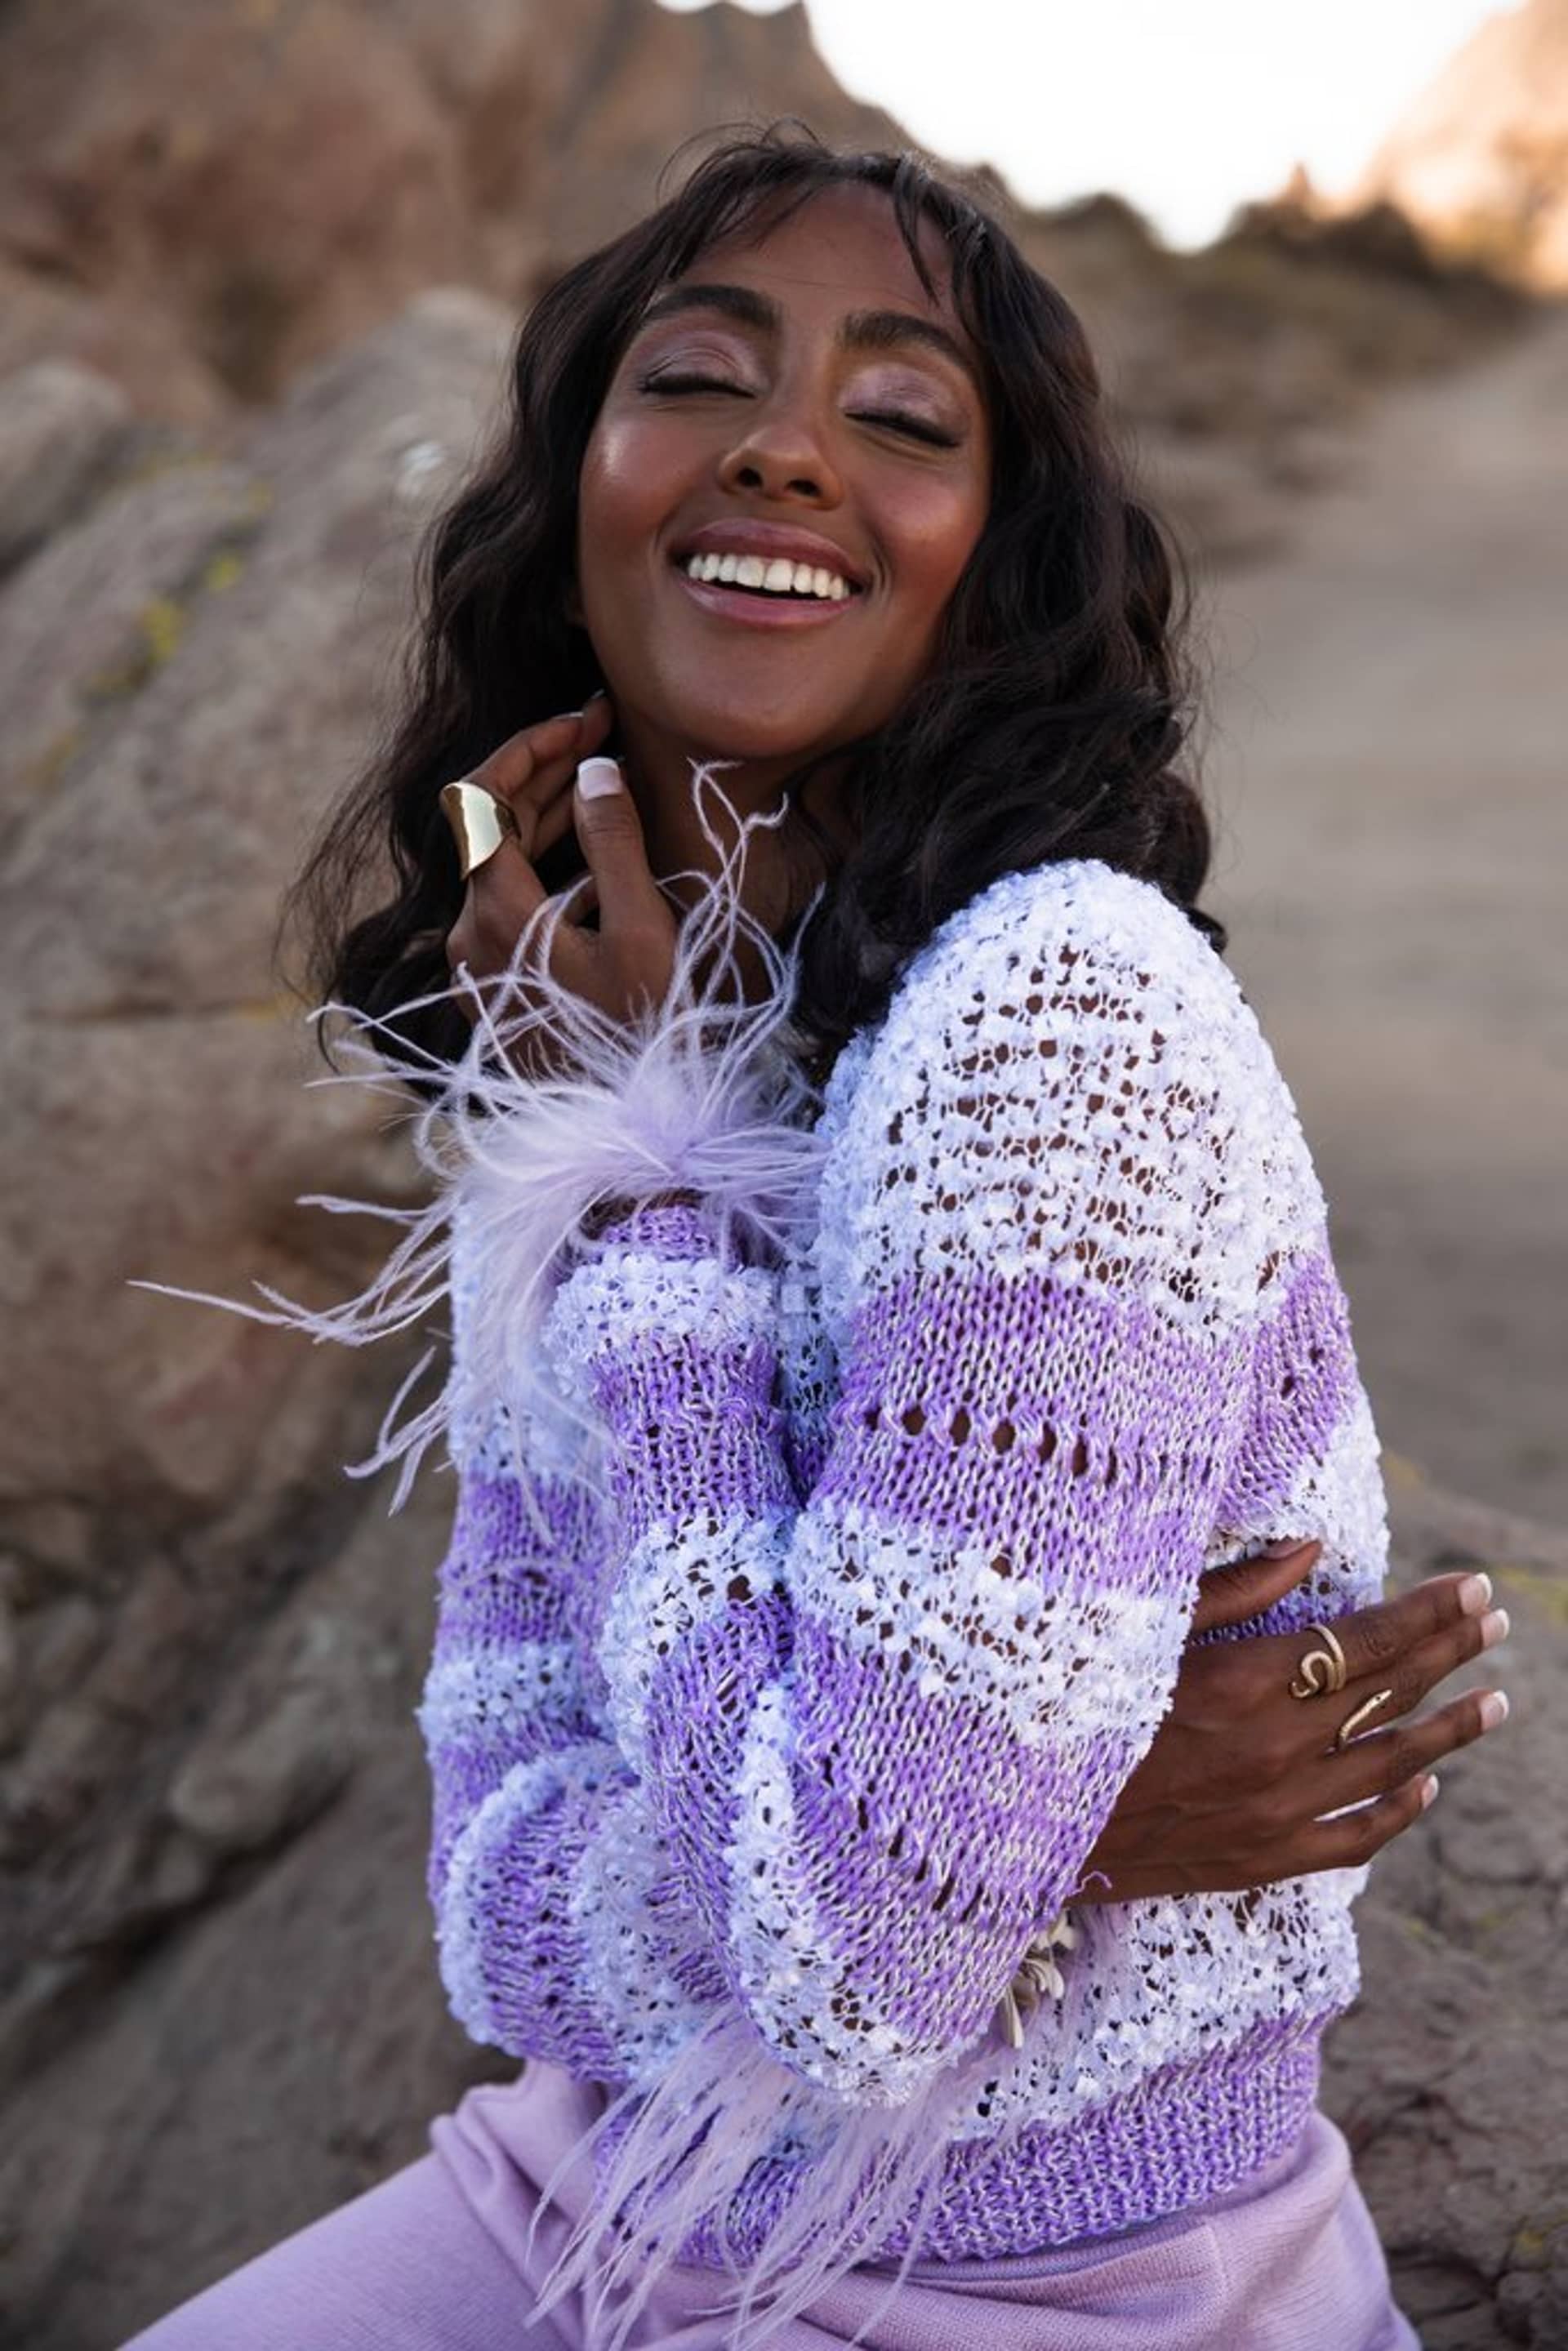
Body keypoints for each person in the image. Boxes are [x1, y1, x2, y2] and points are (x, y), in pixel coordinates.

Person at [124, 131, 1511, 2351]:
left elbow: (857, 1977)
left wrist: (655, 1207)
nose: (784, 449)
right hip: (599, 2183)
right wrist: (1051, 1829)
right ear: (576, 492)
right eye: (698, 378)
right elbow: (494, 1897)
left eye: (902, 419)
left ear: (997, 567)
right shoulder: (583, 1059)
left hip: (1066, 2281)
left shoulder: (1062, 1021)